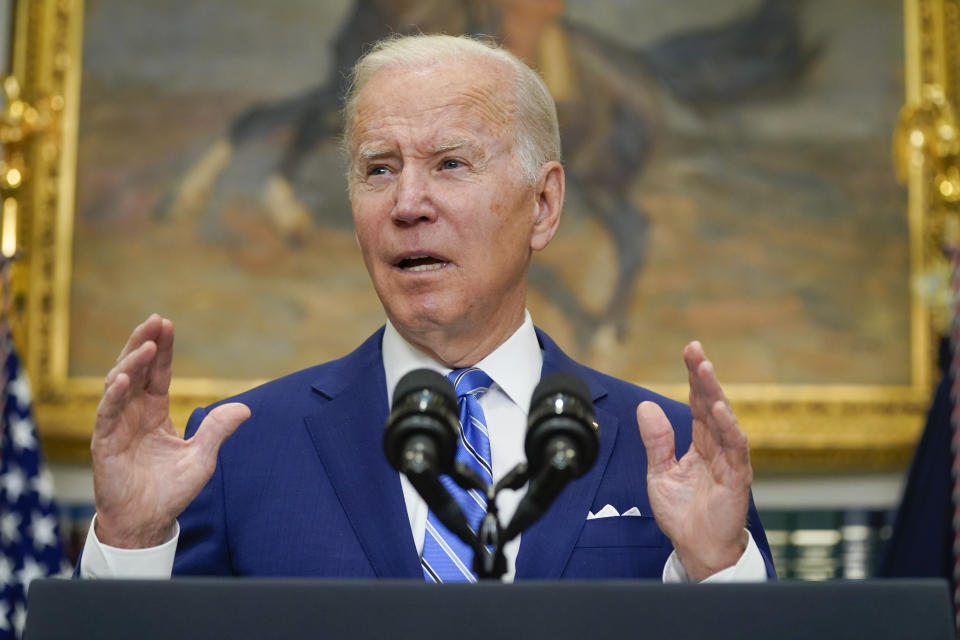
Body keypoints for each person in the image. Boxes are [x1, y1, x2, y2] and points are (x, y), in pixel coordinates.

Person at [80, 34, 775, 582]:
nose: (408, 204)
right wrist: (131, 541)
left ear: (544, 204)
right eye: (378, 169)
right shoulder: (241, 453)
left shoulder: (674, 452)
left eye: (450, 163)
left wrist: (717, 573)